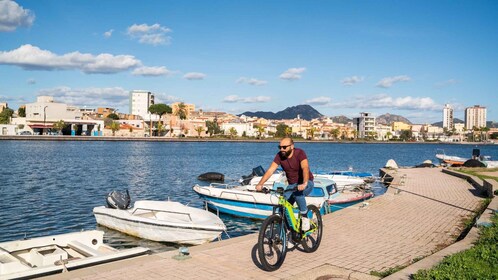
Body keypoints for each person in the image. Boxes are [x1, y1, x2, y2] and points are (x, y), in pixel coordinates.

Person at [255, 137, 314, 231]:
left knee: (298, 194)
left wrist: (304, 183)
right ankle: (289, 233)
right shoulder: (279, 156)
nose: (282, 149)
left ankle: (305, 216)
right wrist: (260, 184)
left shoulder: (300, 153)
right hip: (292, 185)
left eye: (284, 147)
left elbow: (305, 168)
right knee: (283, 208)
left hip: (307, 182)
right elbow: (270, 170)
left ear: (292, 146)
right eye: (280, 147)